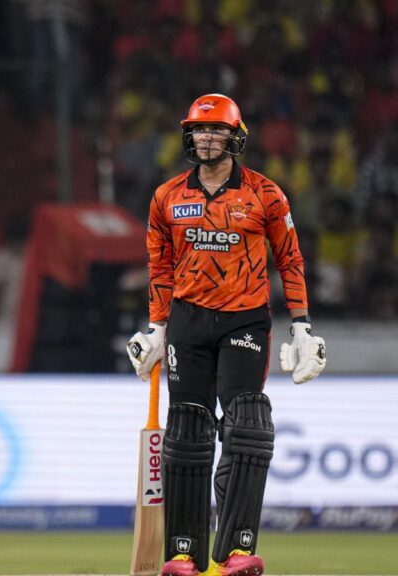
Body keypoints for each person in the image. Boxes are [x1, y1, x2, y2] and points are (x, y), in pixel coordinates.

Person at [126, 94, 326, 576]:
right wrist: (156, 328)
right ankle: (182, 555)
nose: (206, 138)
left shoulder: (265, 195)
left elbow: (291, 261)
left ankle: (236, 550)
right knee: (188, 432)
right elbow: (160, 266)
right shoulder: (167, 197)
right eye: (199, 130)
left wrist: (302, 327)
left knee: (249, 426)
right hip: (187, 322)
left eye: (216, 130)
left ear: (235, 138)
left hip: (245, 319)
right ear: (188, 136)